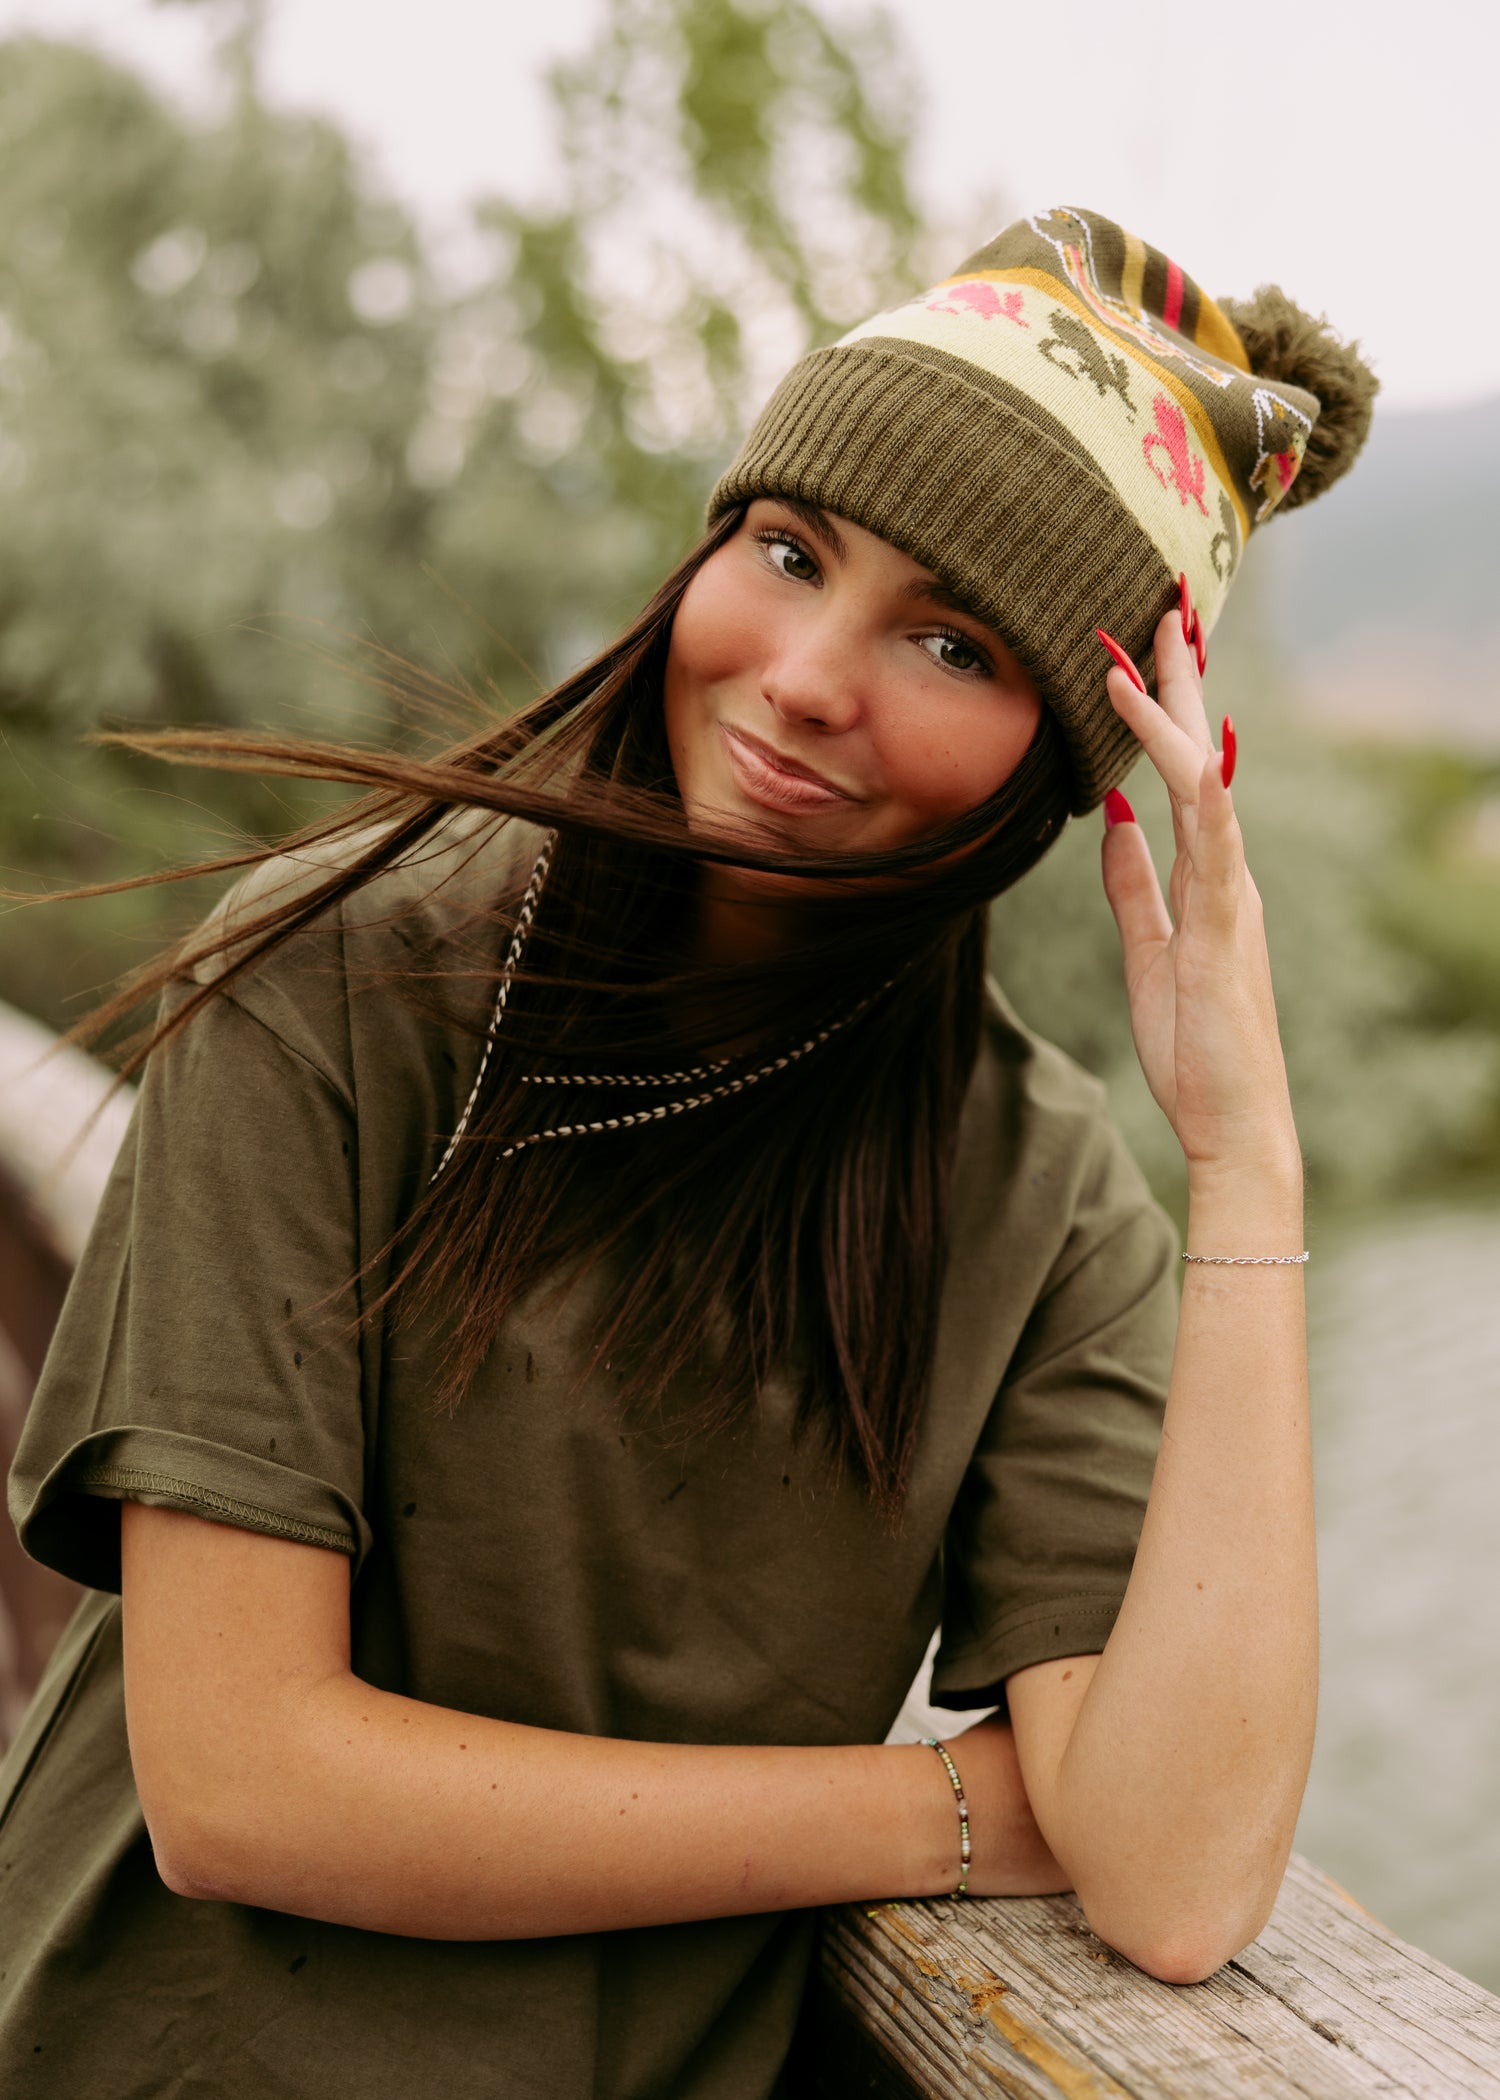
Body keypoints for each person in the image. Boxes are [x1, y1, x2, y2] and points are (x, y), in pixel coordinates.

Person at [0, 205, 1376, 2097]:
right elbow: (240, 1785)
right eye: (790, 552)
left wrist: (1247, 1164)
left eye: (952, 642)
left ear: (1066, 764)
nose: (810, 675)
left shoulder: (1040, 1192)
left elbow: (1177, 1875)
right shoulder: (347, 976)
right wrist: (942, 1816)